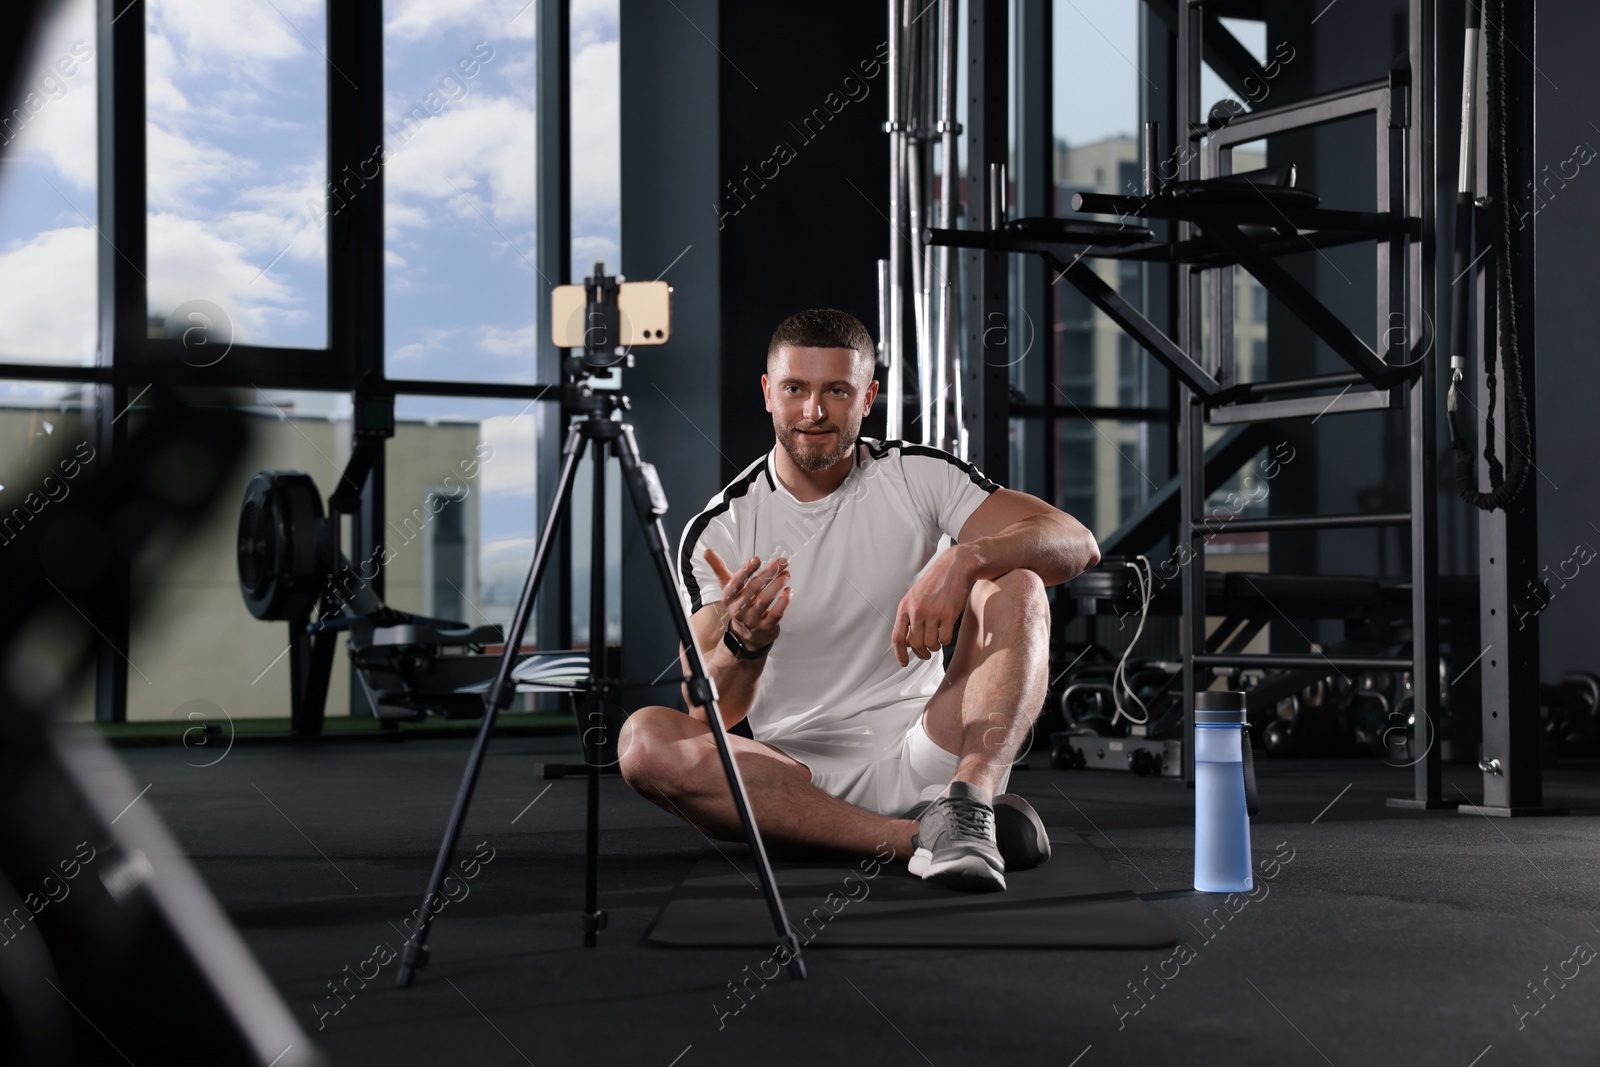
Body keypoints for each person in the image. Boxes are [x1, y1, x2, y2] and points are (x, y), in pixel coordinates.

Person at [618, 308, 1100, 891]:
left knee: (1017, 580)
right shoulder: (720, 529)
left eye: (836, 391)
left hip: (929, 748)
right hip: (794, 777)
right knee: (644, 742)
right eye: (795, 388)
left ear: (868, 397)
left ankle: (970, 800)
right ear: (769, 393)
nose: (813, 412)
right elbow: (711, 714)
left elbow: (1077, 542)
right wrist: (746, 643)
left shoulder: (917, 475)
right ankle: (918, 838)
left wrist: (965, 557)